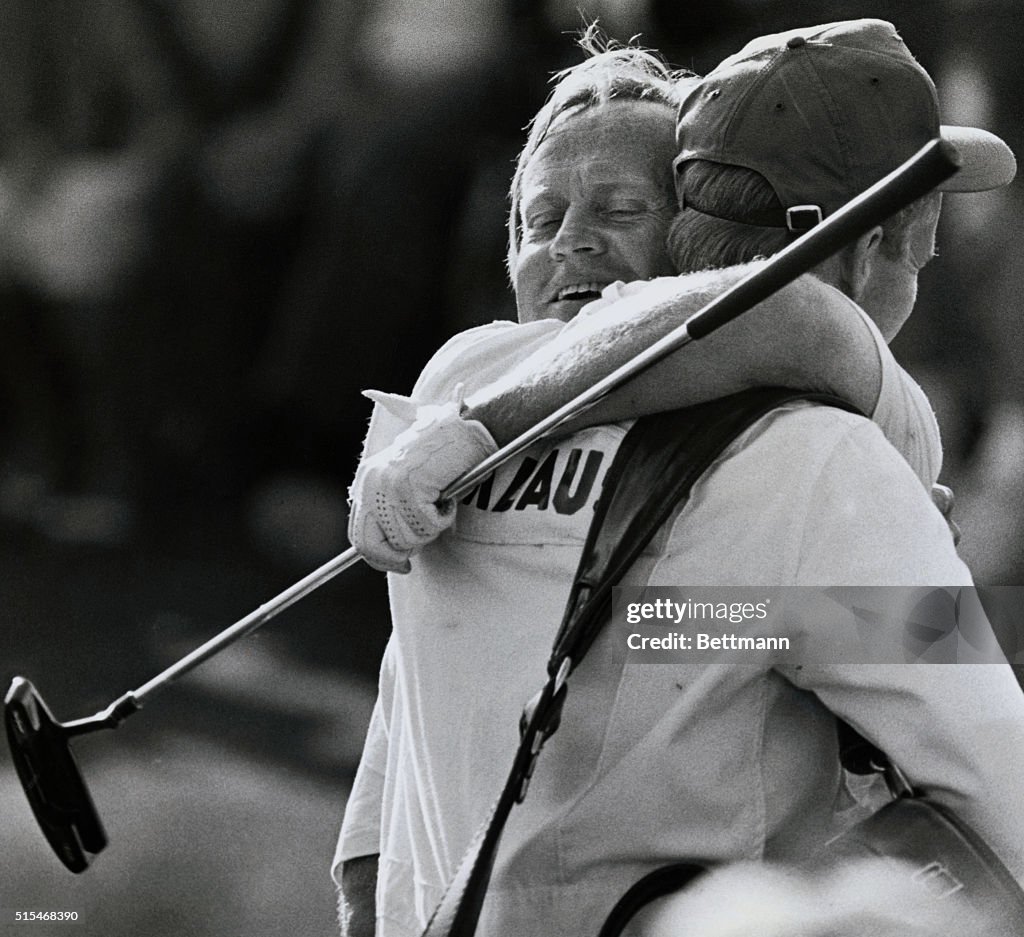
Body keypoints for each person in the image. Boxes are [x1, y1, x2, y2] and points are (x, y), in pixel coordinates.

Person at [335, 21, 1024, 937]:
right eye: (914, 249)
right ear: (868, 248)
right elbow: (1005, 794)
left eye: (621, 212)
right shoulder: (829, 458)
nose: (573, 244)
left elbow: (378, 830)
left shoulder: (457, 383)